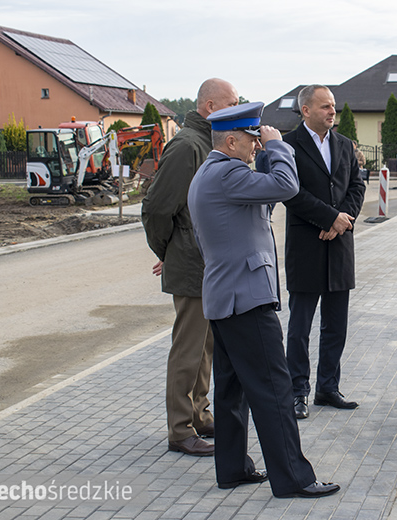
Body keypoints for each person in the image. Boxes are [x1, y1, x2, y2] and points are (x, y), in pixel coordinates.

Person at [187, 102, 340, 498]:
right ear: (231, 140)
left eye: (260, 139)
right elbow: (287, 187)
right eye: (252, 139)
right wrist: (279, 148)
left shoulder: (214, 173)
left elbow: (260, 205)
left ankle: (234, 468)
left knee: (232, 389)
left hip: (229, 298)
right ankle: (294, 478)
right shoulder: (227, 172)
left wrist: (267, 156)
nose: (257, 145)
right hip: (245, 301)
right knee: (274, 390)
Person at [141, 78, 239, 457]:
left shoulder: (207, 142)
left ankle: (199, 413)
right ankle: (180, 428)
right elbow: (157, 208)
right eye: (231, 103)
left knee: (205, 348)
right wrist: (169, 250)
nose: (236, 108)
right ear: (211, 107)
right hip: (191, 263)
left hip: (208, 263)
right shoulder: (186, 146)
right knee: (188, 349)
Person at [282, 85, 366, 420]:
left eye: (333, 107)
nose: (332, 112)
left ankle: (328, 387)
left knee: (336, 326)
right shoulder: (288, 146)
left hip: (339, 248)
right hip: (306, 247)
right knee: (300, 328)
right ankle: (297, 391)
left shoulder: (343, 144)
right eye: (325, 106)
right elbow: (290, 192)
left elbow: (357, 185)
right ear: (305, 110)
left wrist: (342, 220)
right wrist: (328, 217)